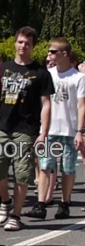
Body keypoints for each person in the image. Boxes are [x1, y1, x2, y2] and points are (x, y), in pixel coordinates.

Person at [0, 27, 53, 231]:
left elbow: (46, 104)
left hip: (26, 129)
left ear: (33, 46)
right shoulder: (2, 68)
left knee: (22, 174)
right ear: (15, 43)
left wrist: (43, 133)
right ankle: (5, 201)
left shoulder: (41, 73)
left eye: (27, 43)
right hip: (1, 126)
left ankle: (16, 216)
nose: (23, 46)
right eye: (20, 42)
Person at [36, 39, 84, 219]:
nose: (49, 55)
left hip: (69, 129)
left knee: (68, 169)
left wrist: (79, 131)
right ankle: (41, 204)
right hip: (49, 129)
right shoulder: (47, 74)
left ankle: (65, 203)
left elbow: (81, 105)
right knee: (45, 166)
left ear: (64, 54)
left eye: (53, 52)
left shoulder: (78, 77)